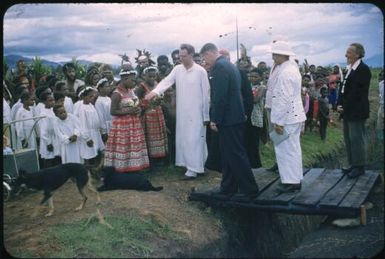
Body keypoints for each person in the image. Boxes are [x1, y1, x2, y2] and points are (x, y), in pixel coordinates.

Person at [200, 42, 259, 202]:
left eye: (204, 58)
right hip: (235, 117)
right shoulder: (229, 65)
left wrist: (215, 119)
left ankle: (250, 189)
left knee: (235, 154)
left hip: (228, 119)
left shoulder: (219, 68)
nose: (205, 62)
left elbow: (220, 97)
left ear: (209, 53)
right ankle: (228, 188)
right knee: (229, 155)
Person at [145, 43, 210, 179]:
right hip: (182, 111)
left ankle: (196, 168)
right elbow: (166, 81)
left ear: (191, 55)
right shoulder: (177, 69)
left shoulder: (200, 71)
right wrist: (154, 92)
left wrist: (206, 115)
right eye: (180, 56)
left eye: (184, 56)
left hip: (196, 112)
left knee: (196, 139)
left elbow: (206, 95)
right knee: (185, 139)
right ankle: (191, 165)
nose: (181, 59)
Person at [268, 40, 306, 193]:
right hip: (294, 116)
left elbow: (284, 98)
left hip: (287, 118)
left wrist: (279, 121)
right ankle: (295, 178)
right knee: (293, 148)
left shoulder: (285, 72)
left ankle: (290, 182)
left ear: (281, 55)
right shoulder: (292, 68)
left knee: (285, 149)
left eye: (274, 54)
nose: (272, 57)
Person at [104, 68, 150, 172]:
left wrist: (139, 108)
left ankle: (133, 167)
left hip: (134, 124)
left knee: (132, 146)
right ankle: (122, 169)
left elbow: (135, 104)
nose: (134, 82)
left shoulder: (131, 91)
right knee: (124, 147)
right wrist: (129, 111)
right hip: (122, 125)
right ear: (124, 79)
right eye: (132, 80)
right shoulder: (116, 94)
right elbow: (113, 111)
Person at [337, 43, 372, 178]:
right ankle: (353, 164)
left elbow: (357, 93)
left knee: (356, 138)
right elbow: (343, 88)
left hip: (357, 110)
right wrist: (339, 104)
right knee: (348, 138)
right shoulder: (349, 68)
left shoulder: (363, 69)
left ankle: (359, 166)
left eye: (349, 52)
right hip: (348, 110)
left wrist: (344, 106)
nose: (346, 55)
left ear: (358, 54)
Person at [136, 66, 168, 168]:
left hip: (158, 114)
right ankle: (150, 160)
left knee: (158, 136)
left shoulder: (157, 85)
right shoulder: (141, 87)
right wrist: (148, 103)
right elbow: (136, 102)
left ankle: (159, 159)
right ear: (144, 76)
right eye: (149, 76)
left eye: (154, 76)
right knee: (149, 137)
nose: (152, 78)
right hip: (147, 116)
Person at [74, 87, 105, 168]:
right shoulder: (82, 108)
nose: (93, 98)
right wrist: (87, 138)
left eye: (93, 96)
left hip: (95, 133)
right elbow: (82, 125)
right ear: (84, 97)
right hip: (88, 134)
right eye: (90, 96)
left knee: (96, 153)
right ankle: (88, 171)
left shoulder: (91, 105)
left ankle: (96, 170)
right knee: (88, 154)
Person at [94, 78, 112, 142]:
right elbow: (100, 117)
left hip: (112, 124)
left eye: (109, 86)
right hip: (106, 126)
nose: (109, 88)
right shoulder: (99, 101)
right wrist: (104, 131)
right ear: (100, 89)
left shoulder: (109, 98)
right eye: (106, 86)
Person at [377, 70, 384, 140]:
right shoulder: (381, 84)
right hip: (382, 106)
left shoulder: (381, 84)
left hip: (382, 106)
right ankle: (380, 141)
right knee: (379, 125)